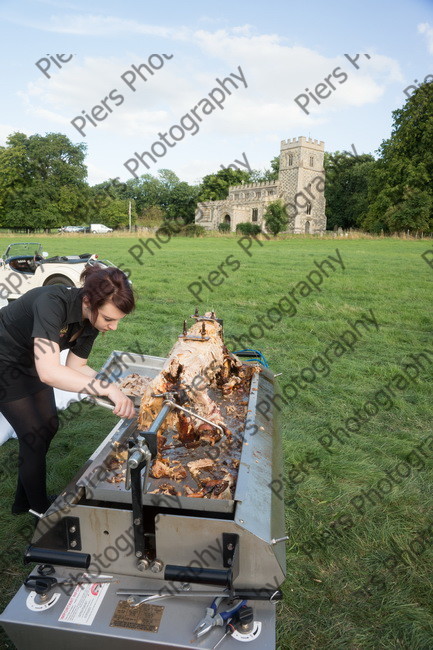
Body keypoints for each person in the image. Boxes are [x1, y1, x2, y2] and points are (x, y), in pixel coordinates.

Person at [0, 265, 136, 515]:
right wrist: (105, 388)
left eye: (117, 320)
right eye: (109, 319)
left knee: (49, 426)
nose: (113, 327)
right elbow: (50, 372)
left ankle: (23, 503)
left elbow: (77, 366)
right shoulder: (51, 302)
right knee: (33, 435)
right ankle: (42, 510)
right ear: (88, 300)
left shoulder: (90, 320)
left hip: (33, 362)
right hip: (4, 362)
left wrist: (114, 387)